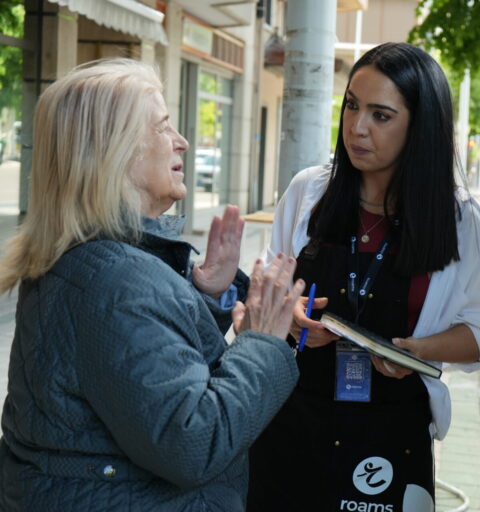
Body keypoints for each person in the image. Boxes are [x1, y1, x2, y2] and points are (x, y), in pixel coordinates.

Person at [0, 58, 304, 511]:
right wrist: (261, 342)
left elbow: (136, 373)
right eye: (163, 127)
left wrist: (205, 296)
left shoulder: (84, 258)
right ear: (115, 151)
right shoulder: (118, 282)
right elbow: (194, 442)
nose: (182, 141)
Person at [248, 42, 480, 512]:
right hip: (291, 421)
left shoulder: (457, 220)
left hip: (393, 435)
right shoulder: (309, 192)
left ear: (420, 127)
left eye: (381, 115)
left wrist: (419, 352)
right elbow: (266, 291)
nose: (357, 127)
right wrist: (288, 315)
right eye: (351, 106)